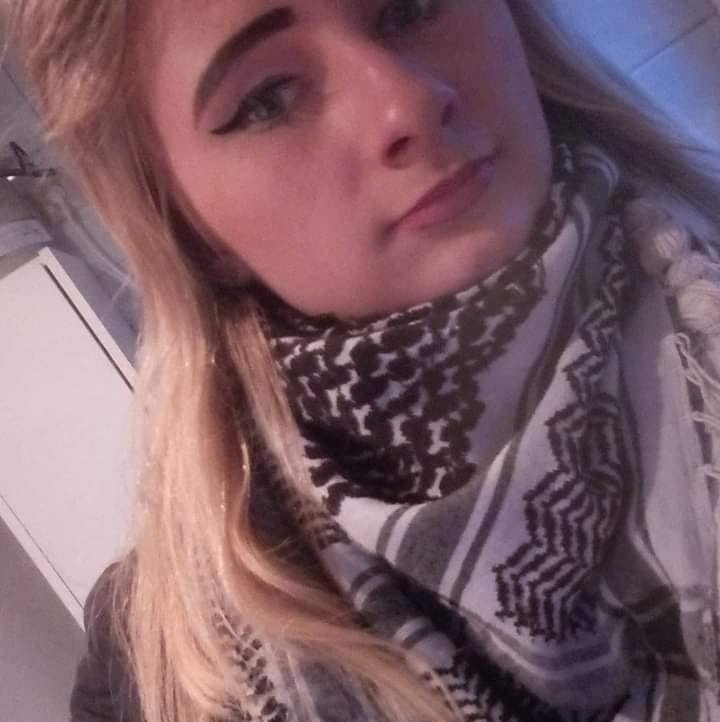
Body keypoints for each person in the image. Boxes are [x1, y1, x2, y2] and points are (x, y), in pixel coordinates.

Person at [6, 1, 720, 721]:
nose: (405, 102)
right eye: (267, 99)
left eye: (411, 6)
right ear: (189, 229)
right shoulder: (155, 673)